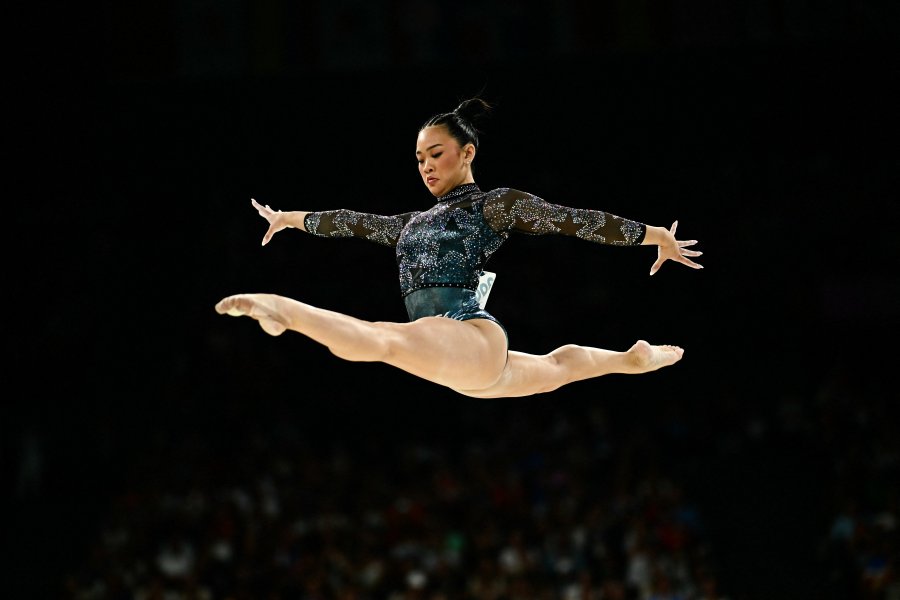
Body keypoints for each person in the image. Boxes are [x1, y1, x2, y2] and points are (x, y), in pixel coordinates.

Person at [215, 97, 703, 398]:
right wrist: (289, 219)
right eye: (418, 159)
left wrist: (655, 235)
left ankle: (284, 311)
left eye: (436, 154)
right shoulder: (411, 224)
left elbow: (572, 221)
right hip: (461, 367)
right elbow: (352, 223)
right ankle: (631, 359)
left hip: (466, 333)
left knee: (384, 341)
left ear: (467, 153)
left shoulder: (494, 206)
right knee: (556, 368)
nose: (426, 166)